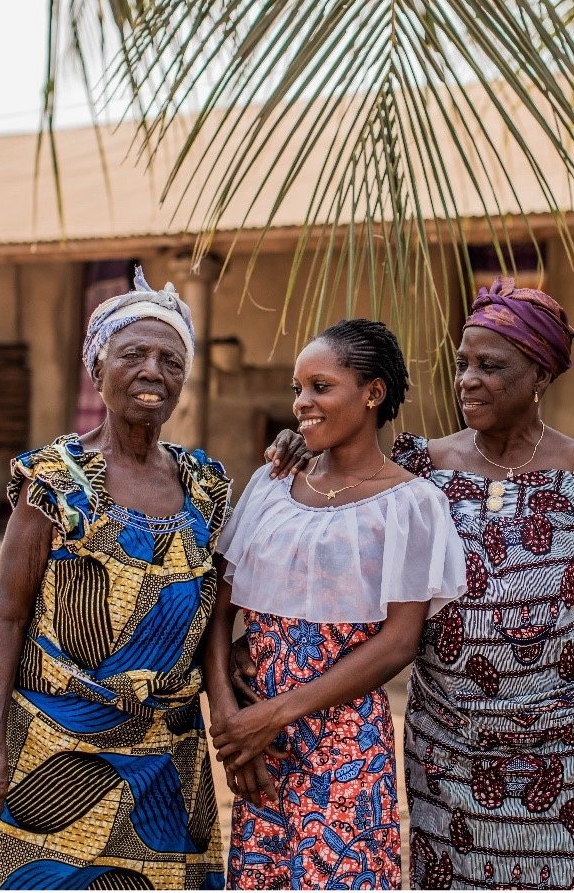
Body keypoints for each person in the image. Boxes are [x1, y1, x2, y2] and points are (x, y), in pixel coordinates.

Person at [264, 279, 574, 889]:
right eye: (462, 364)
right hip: (452, 750)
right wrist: (298, 443)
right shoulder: (418, 467)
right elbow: (337, 484)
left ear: (540, 375)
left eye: (492, 366)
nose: (467, 379)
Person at [0, 270, 232, 890]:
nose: (152, 371)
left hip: (167, 760)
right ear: (97, 367)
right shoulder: (54, 480)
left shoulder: (205, 486)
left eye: (170, 359)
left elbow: (219, 608)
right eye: (132, 354)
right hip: (51, 753)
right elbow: (6, 612)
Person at [205, 319, 467, 890]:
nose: (302, 403)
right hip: (258, 740)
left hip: (344, 743)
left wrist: (274, 714)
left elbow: (399, 641)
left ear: (373, 393)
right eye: (297, 388)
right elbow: (220, 612)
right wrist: (229, 723)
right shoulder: (272, 485)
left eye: (321, 387)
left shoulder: (410, 506)